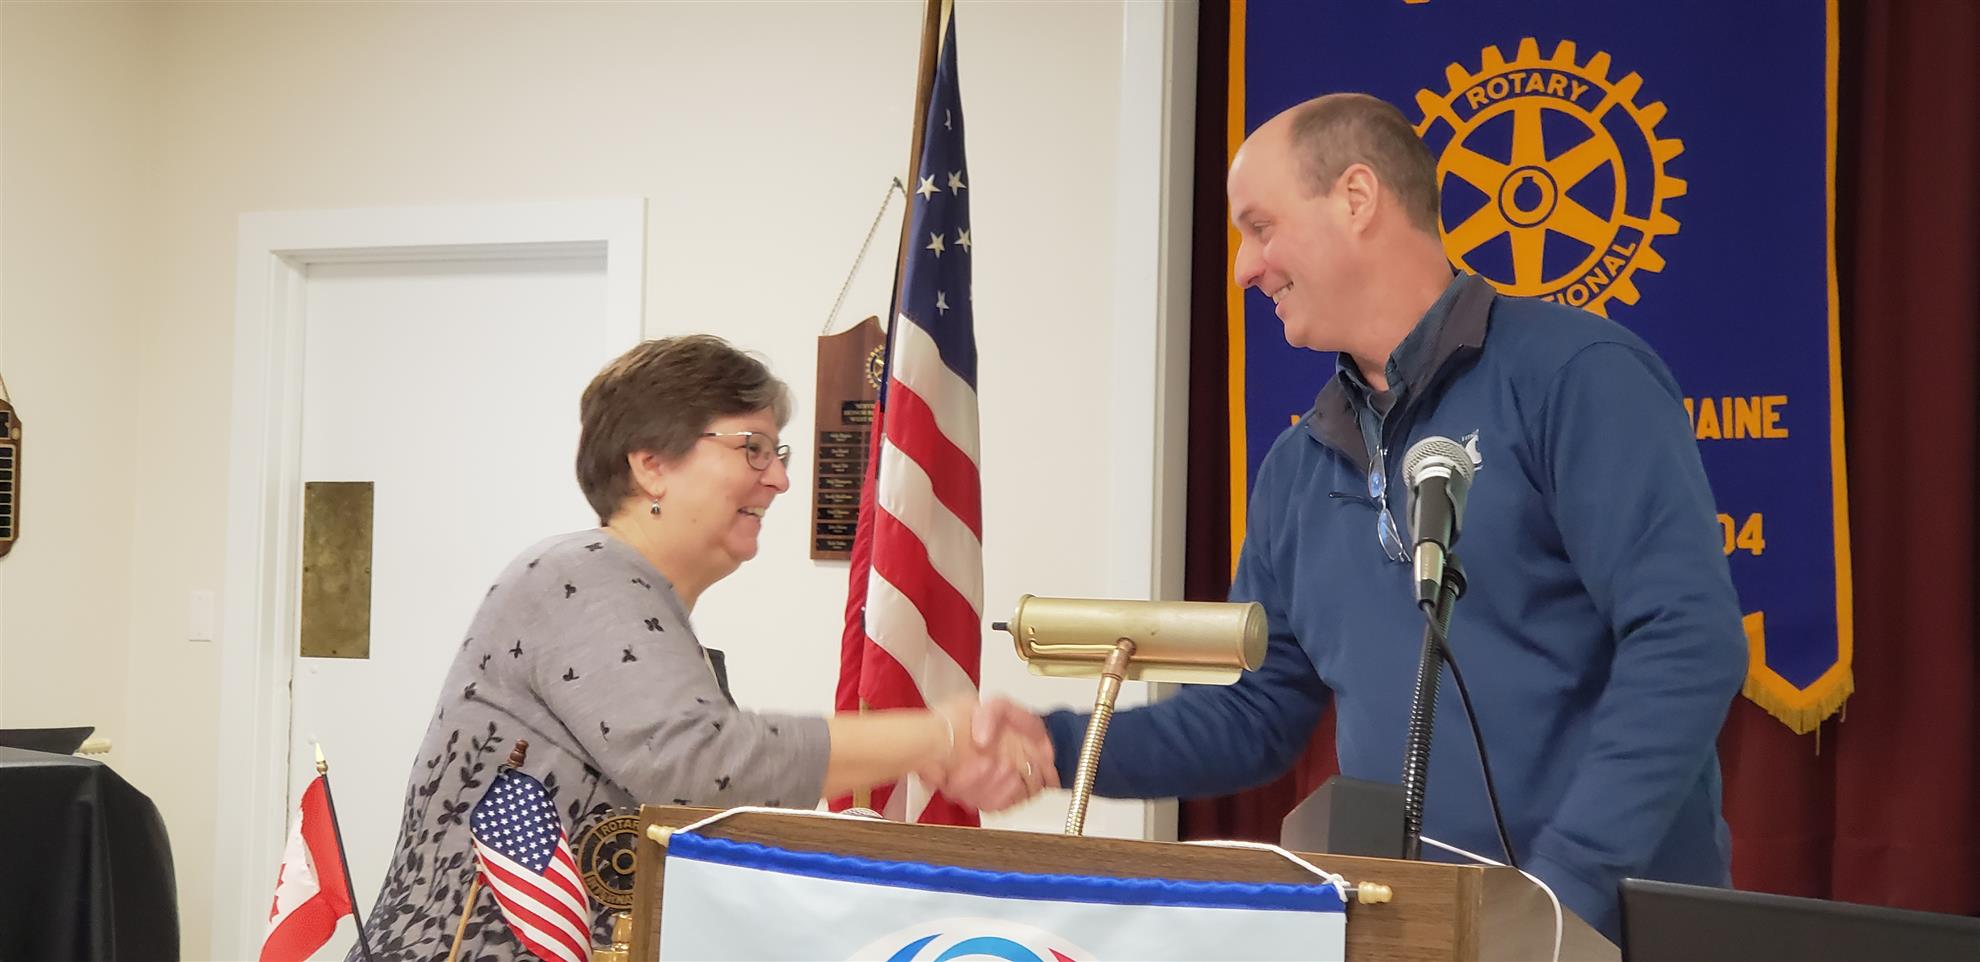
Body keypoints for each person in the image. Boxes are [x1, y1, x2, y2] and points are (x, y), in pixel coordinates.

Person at [966, 93, 1747, 942]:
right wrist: (1053, 745)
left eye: (1260, 227)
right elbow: (1255, 715)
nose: (1244, 268)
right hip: (1410, 934)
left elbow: (1687, 638)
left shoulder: (1577, 375)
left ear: (1357, 197)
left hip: (1608, 934)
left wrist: (1558, 897)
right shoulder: (1297, 467)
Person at [353, 335, 1052, 961]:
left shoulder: (642, 606)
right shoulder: (581, 573)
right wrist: (937, 737)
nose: (779, 478)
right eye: (752, 448)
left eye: (777, 453)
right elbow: (698, 765)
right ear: (652, 465)